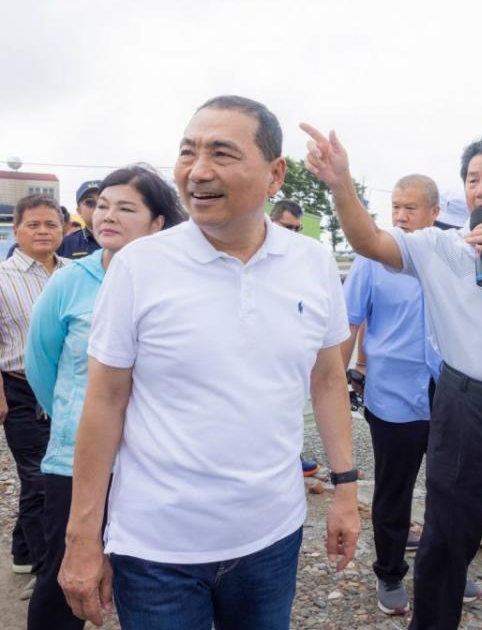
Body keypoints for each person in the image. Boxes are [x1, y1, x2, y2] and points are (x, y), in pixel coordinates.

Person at [59, 96, 361, 630]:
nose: (198, 171)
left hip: (272, 535)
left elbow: (328, 378)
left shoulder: (312, 262)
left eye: (221, 153)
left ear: (274, 174)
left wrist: (346, 487)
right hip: (156, 548)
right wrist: (82, 539)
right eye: (188, 152)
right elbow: (104, 402)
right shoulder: (139, 267)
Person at [302, 125, 482, 629]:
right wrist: (340, 183)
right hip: (461, 407)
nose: (480, 188)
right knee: (442, 544)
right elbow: (367, 239)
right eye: (472, 178)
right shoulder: (438, 247)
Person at [24, 165, 186, 630]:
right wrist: (82, 422)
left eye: (126, 207)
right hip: (76, 461)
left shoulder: (175, 286)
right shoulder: (69, 282)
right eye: (102, 205)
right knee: (63, 583)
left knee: (148, 583)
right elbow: (41, 365)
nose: (107, 215)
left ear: (157, 223)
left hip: (153, 462)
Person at [341, 174, 482, 615]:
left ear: (435, 213)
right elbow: (348, 321)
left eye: (411, 208)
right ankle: (390, 573)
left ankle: (448, 568)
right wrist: (337, 382)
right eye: (395, 207)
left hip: (451, 392)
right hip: (393, 395)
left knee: (451, 490)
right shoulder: (372, 258)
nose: (401, 216)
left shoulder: (454, 257)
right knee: (394, 490)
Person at [0, 194, 68, 598]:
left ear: (63, 229)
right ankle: (48, 574)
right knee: (40, 479)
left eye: (51, 224)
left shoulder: (76, 272)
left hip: (69, 387)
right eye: (34, 225)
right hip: (21, 390)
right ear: (16, 230)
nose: (43, 231)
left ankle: (22, 552)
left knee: (56, 476)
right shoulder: (3, 278)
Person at [266, 196, 326, 478]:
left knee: (292, 407)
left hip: (290, 345)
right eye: (285, 227)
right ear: (272, 220)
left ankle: (292, 456)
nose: (291, 234)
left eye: (296, 229)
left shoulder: (305, 260)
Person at [58, 180, 102, 259]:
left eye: (102, 201)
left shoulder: (126, 240)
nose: (98, 207)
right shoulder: (65, 244)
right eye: (90, 202)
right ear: (79, 211)